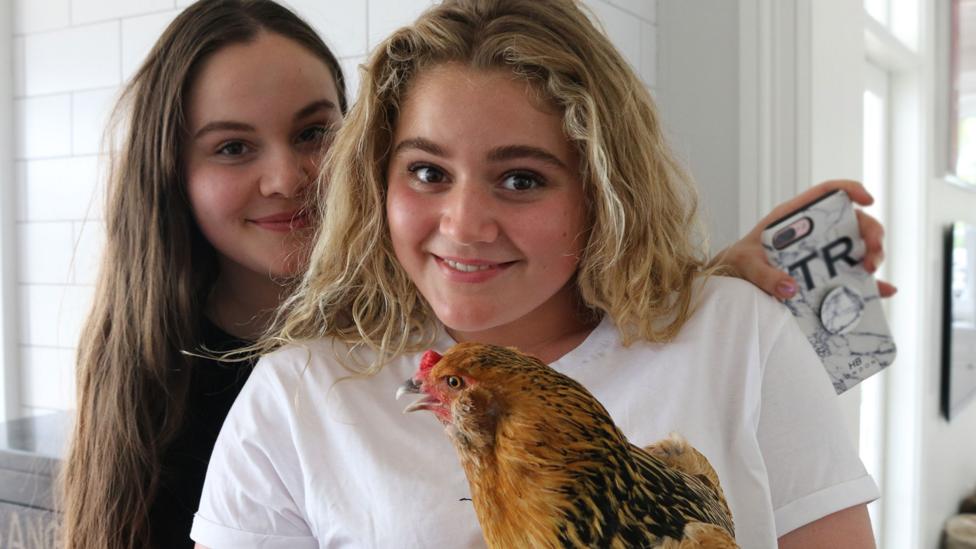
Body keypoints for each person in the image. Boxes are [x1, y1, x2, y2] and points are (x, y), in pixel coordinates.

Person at [189, 0, 881, 547]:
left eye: (521, 178)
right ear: (378, 181)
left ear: (602, 189)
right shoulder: (298, 397)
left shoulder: (739, 335)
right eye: (428, 171)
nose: (464, 224)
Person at [59, 2, 346, 548]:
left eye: (313, 133)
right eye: (233, 148)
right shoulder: (144, 369)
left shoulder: (424, 341)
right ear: (170, 172)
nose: (285, 178)